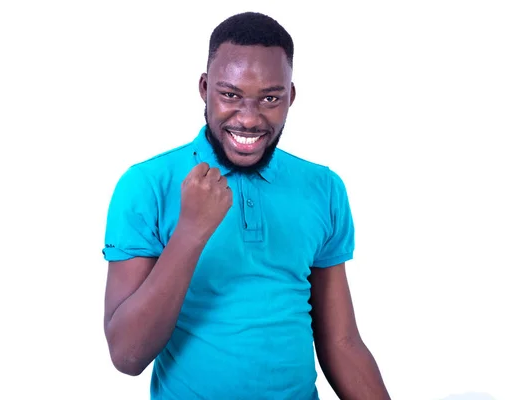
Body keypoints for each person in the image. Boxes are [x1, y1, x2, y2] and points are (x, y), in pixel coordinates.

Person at [102, 11, 390, 400]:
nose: (250, 118)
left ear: (290, 96)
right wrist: (190, 232)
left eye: (270, 98)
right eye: (230, 95)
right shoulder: (146, 185)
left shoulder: (323, 187)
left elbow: (341, 344)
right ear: (205, 89)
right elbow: (127, 354)